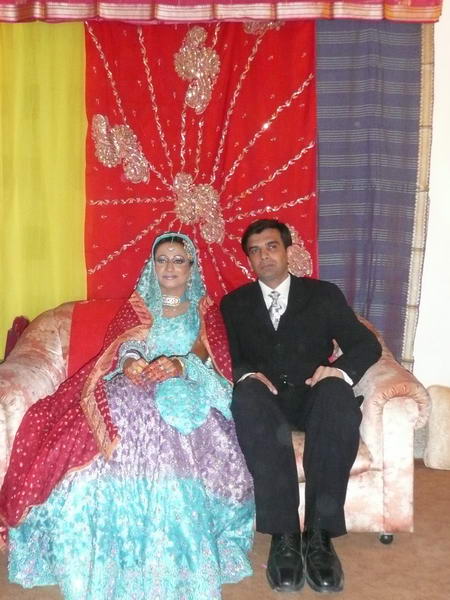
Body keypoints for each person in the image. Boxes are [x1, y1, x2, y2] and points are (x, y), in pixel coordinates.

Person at [0, 233, 255, 600]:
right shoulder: (138, 305)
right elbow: (125, 344)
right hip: (133, 385)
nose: (169, 267)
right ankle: (106, 554)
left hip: (184, 387)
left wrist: (179, 365)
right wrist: (132, 361)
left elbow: (204, 352)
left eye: (178, 260)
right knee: (104, 427)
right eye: (162, 259)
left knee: (175, 427)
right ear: (152, 266)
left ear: (191, 268)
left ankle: (171, 559)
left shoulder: (203, 309)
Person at [220, 219, 382, 594]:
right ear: (248, 259)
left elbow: (365, 344)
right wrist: (246, 375)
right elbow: (232, 357)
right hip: (267, 400)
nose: (264, 256)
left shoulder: (323, 294)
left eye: (271, 247)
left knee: (337, 394)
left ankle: (319, 536)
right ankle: (285, 536)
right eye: (255, 251)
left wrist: (338, 371)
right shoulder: (234, 304)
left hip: (314, 395)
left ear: (288, 250)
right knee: (246, 397)